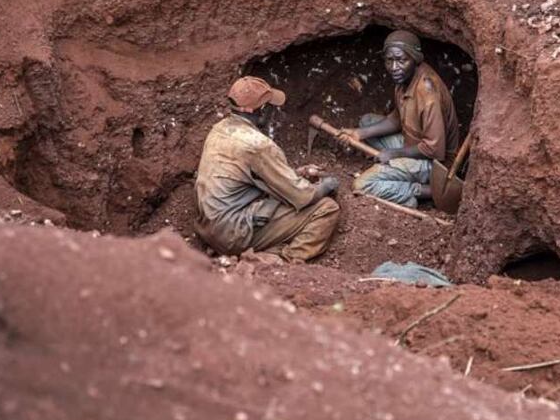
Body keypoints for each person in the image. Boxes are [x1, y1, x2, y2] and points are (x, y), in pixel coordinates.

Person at [194, 76, 340, 262]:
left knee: (275, 199)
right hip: (232, 235)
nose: (272, 110)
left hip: (207, 228)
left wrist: (293, 174)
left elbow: (247, 178)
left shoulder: (218, 130)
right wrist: (326, 186)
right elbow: (303, 196)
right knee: (327, 208)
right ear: (260, 109)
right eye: (269, 105)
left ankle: (256, 248)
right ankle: (282, 260)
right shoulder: (258, 145)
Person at [342, 30, 461, 208]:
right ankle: (400, 175)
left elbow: (435, 150)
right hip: (412, 144)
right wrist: (359, 134)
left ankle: (419, 191)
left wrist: (394, 154)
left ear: (415, 59)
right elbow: (397, 120)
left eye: (401, 60)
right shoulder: (404, 79)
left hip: (433, 164)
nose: (394, 67)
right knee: (367, 123)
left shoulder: (427, 92)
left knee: (362, 185)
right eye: (389, 60)